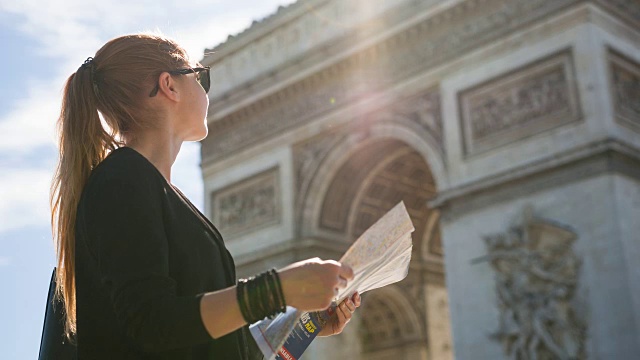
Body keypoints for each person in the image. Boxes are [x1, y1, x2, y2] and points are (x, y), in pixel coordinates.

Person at [49, 33, 361, 359]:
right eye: (200, 77)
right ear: (169, 85)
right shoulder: (122, 181)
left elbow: (212, 345)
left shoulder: (151, 189)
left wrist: (304, 325)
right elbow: (153, 323)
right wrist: (278, 289)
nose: (206, 91)